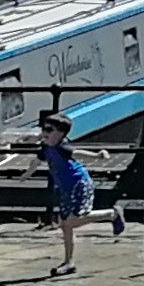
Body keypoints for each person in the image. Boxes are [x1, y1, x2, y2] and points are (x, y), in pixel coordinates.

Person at [40, 112, 104, 273]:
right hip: (65, 188)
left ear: (60, 134)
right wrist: (26, 174)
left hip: (78, 184)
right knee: (65, 226)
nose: (44, 133)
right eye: (43, 129)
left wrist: (97, 155)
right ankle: (69, 262)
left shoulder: (62, 146)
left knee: (72, 221)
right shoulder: (46, 146)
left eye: (49, 130)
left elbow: (77, 153)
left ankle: (112, 214)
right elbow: (37, 160)